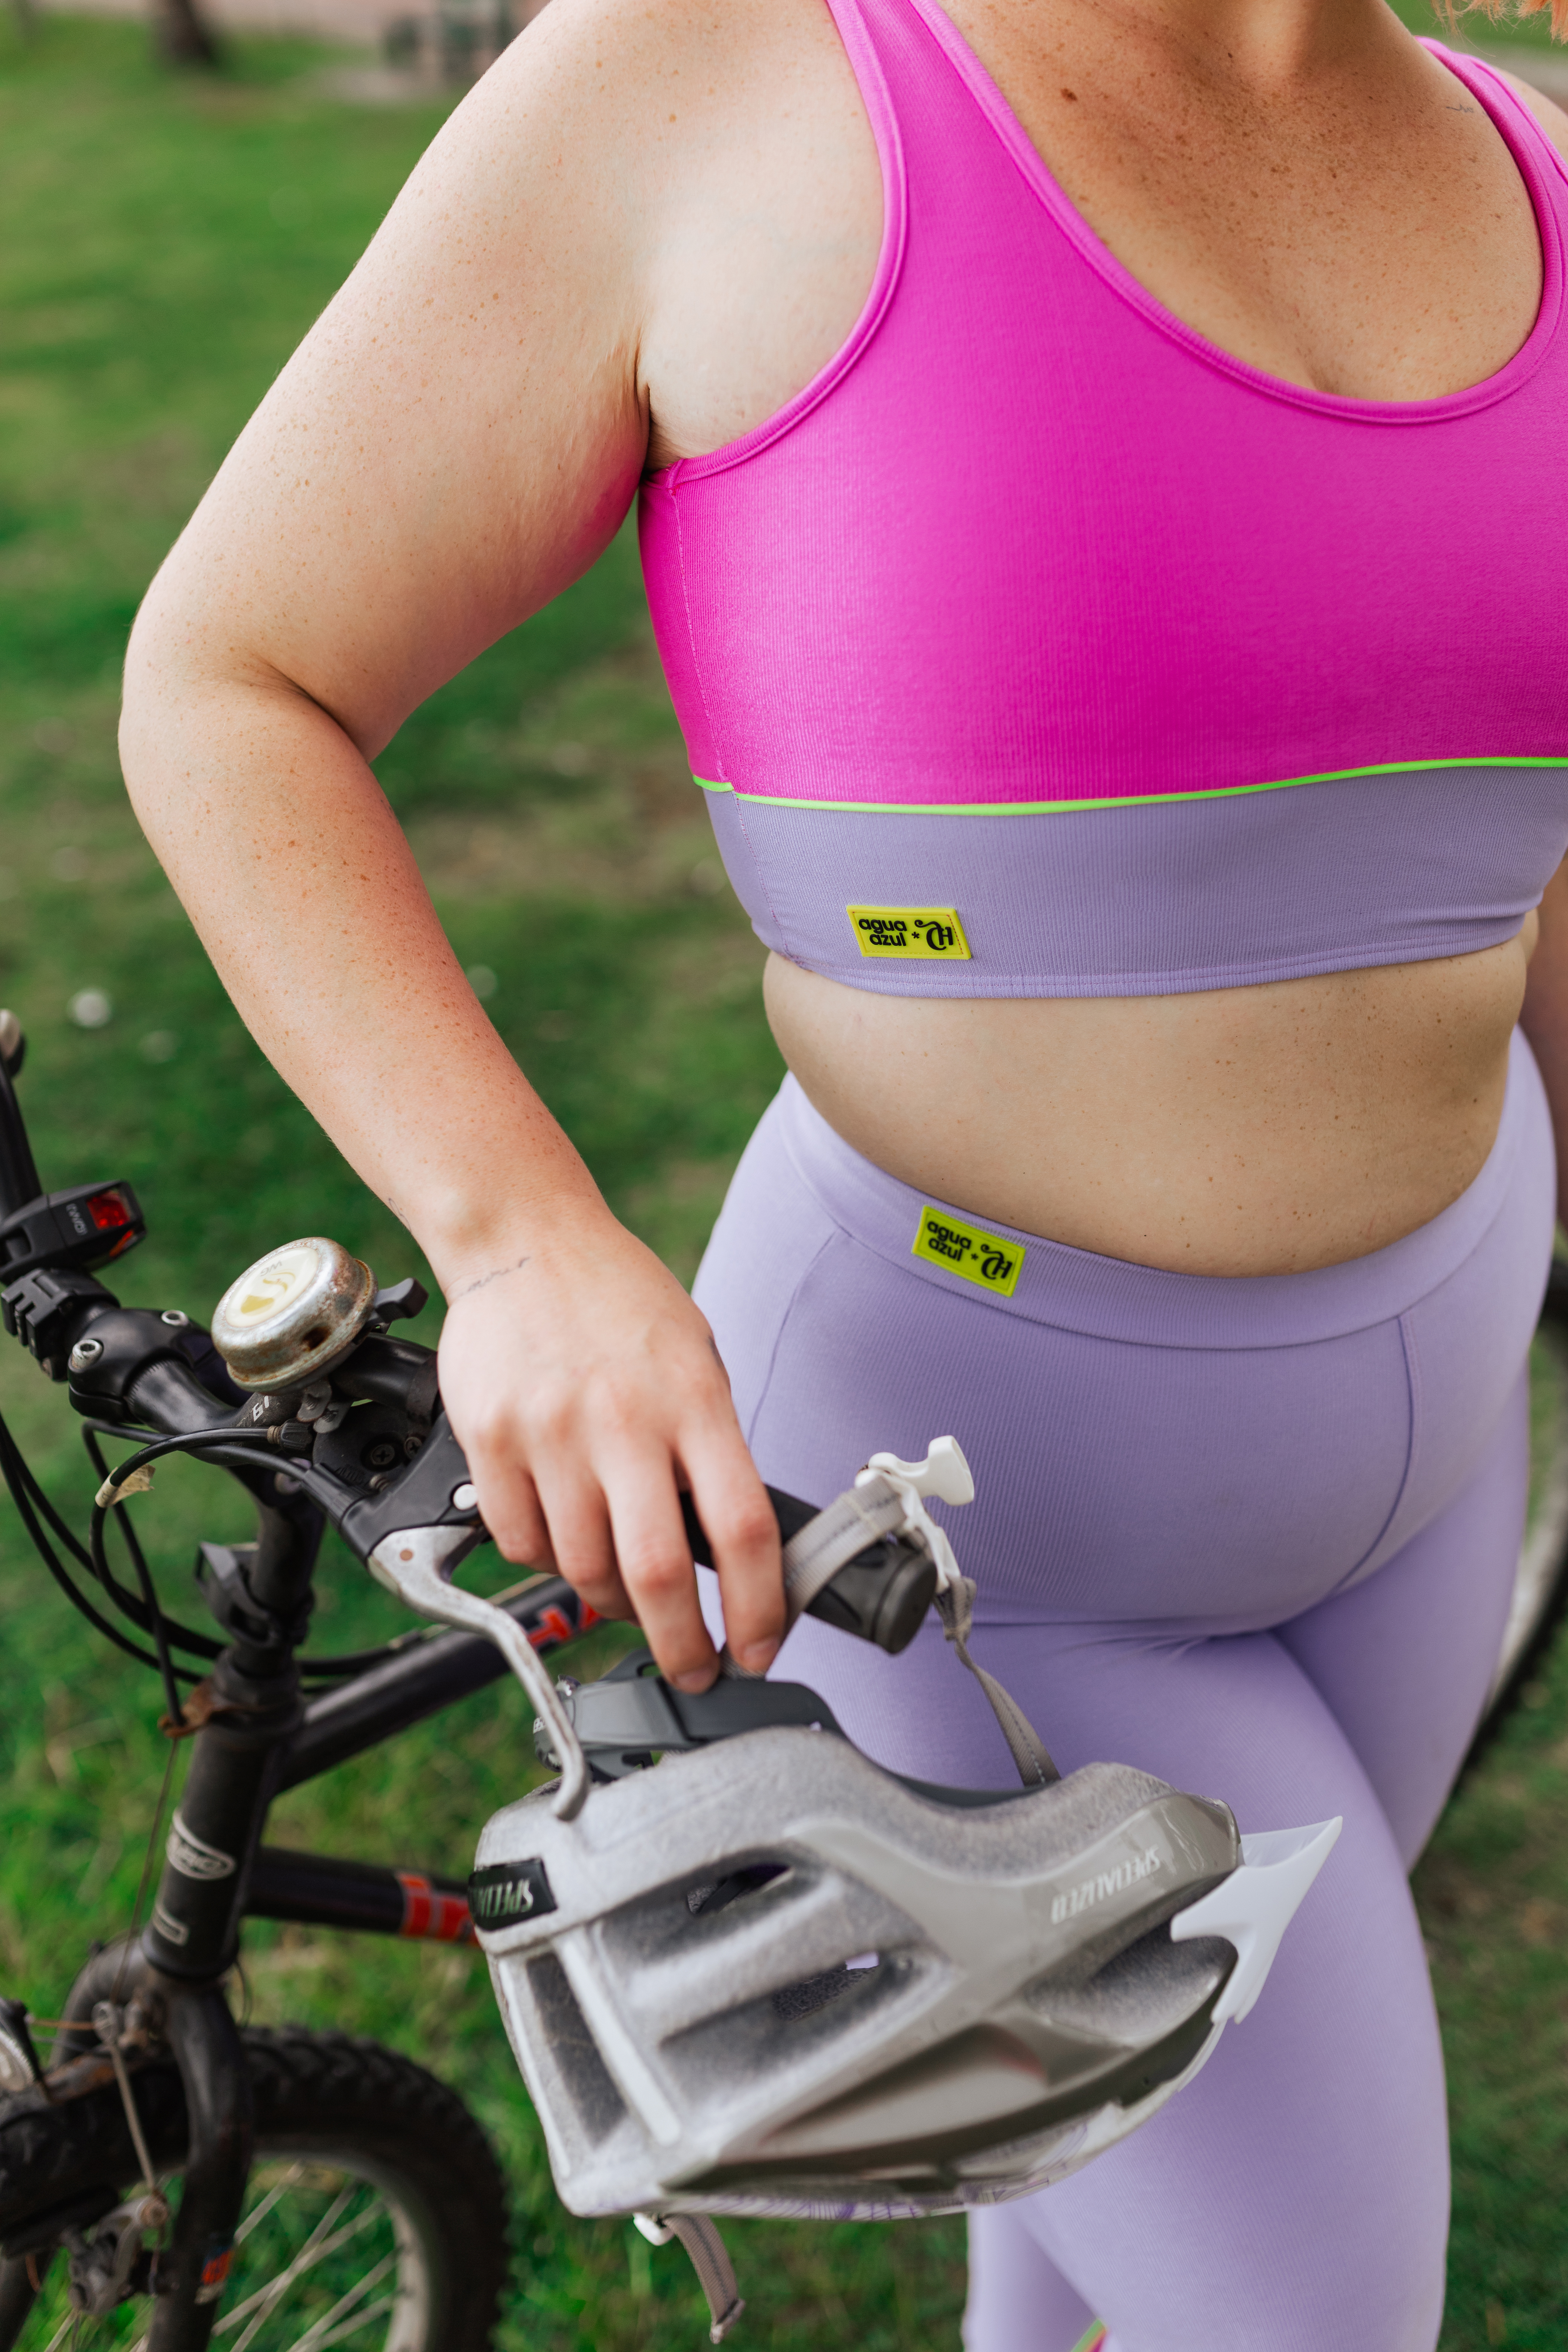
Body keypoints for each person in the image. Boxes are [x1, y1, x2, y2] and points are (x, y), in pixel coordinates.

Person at [118, 0, 1568, 2339]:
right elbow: (234, 677)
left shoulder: (1539, 160)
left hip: (1434, 1444)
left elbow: (1522, 840)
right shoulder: (712, 77)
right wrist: (518, 1242)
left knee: (1082, 2228)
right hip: (981, 1543)